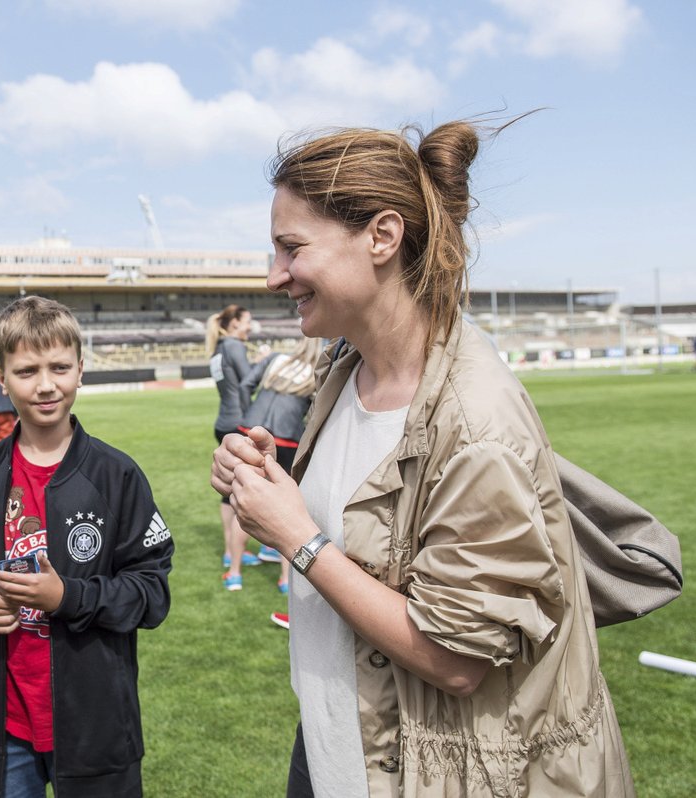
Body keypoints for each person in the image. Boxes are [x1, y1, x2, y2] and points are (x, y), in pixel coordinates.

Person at [212, 120, 633, 796]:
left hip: (435, 771)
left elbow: (456, 659)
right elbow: (367, 517)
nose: (273, 276)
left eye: (291, 248)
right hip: (335, 745)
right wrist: (271, 480)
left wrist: (294, 534)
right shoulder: (346, 368)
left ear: (381, 237)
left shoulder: (475, 419)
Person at [0, 296, 174, 797]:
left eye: (60, 367)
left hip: (95, 726)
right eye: (27, 371)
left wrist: (67, 597)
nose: (46, 385)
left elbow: (152, 594)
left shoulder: (118, 476)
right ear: (1, 379)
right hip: (4, 730)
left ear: (81, 370)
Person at [240, 335, 321, 594]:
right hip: (286, 438)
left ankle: (233, 567)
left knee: (243, 494)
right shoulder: (317, 369)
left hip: (251, 428)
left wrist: (247, 413)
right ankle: (286, 579)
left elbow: (246, 384)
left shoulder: (276, 359)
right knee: (288, 503)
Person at [207, 304, 275, 590]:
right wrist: (264, 360)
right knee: (245, 488)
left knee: (228, 489)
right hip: (238, 423)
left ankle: (230, 550)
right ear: (234, 323)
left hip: (223, 420)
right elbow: (250, 380)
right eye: (248, 320)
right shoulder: (234, 346)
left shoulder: (218, 349)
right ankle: (245, 550)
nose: (251, 325)